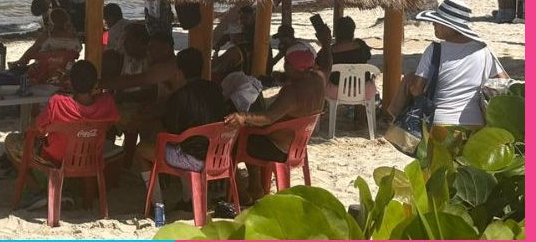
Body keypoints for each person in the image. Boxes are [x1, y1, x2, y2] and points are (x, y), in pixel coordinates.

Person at [387, 0, 508, 134]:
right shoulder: (484, 50)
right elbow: (503, 82)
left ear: (450, 26)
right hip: (475, 124)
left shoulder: (434, 50)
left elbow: (416, 89)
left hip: (441, 125)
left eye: (438, 22)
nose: (434, 24)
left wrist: (409, 82)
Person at [225, 49, 326, 201]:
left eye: (286, 64)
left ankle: (240, 193)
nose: (284, 67)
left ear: (294, 68)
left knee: (232, 142)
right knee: (251, 133)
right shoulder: (319, 80)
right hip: (297, 145)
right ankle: (255, 186)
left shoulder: (291, 92)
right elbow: (328, 63)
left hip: (277, 149)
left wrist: (243, 117)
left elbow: (268, 117)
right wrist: (325, 43)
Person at [137, 48, 226, 210]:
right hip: (218, 155)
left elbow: (171, 133)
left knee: (142, 149)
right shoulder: (216, 90)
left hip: (193, 159)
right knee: (185, 143)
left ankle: (157, 206)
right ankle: (188, 199)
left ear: (179, 71)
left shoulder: (179, 96)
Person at [5, 60, 118, 168]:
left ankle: (33, 179)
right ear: (96, 83)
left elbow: (34, 128)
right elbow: (109, 126)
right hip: (89, 159)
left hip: (54, 162)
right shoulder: (107, 103)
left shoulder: (58, 103)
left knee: (11, 140)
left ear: (70, 83)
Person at [328, 16, 373, 84]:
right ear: (352, 31)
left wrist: (325, 43)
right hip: (362, 85)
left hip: (337, 87)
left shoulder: (329, 50)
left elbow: (319, 63)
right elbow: (368, 56)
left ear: (336, 32)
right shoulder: (360, 45)